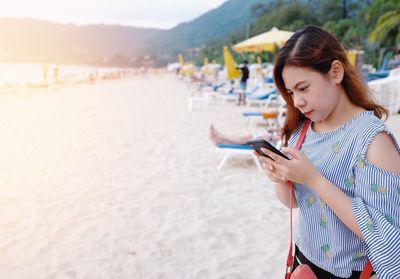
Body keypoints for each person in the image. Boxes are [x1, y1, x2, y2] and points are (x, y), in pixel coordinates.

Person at [257, 25, 400, 278]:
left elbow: (386, 237)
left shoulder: (372, 140)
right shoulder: (302, 130)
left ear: (335, 72)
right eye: (290, 93)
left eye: (303, 88)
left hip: (347, 272)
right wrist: (281, 177)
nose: (297, 102)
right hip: (302, 262)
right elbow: (294, 203)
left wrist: (313, 179)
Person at [209, 124, 281, 145]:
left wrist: (271, 137)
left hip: (271, 141)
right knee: (243, 138)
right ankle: (220, 139)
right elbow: (284, 131)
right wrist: (274, 130)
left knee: (242, 140)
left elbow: (283, 138)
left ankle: (219, 136)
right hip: (269, 136)